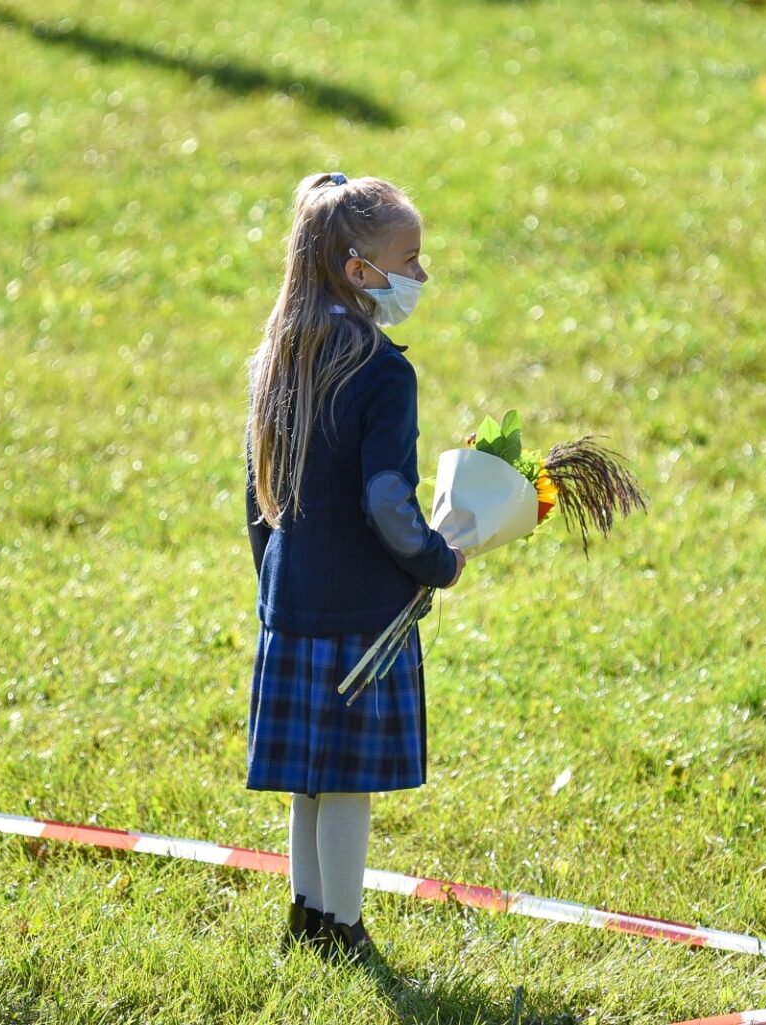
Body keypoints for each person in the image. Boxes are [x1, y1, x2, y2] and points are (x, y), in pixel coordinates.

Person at [243, 171, 465, 963]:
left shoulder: (280, 354)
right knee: (347, 785)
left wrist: (273, 579)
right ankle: (343, 927)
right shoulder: (380, 370)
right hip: (363, 615)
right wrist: (439, 560)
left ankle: (305, 914)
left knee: (312, 778)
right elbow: (386, 500)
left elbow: (254, 491)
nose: (421, 274)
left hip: (293, 604)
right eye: (410, 258)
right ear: (356, 269)